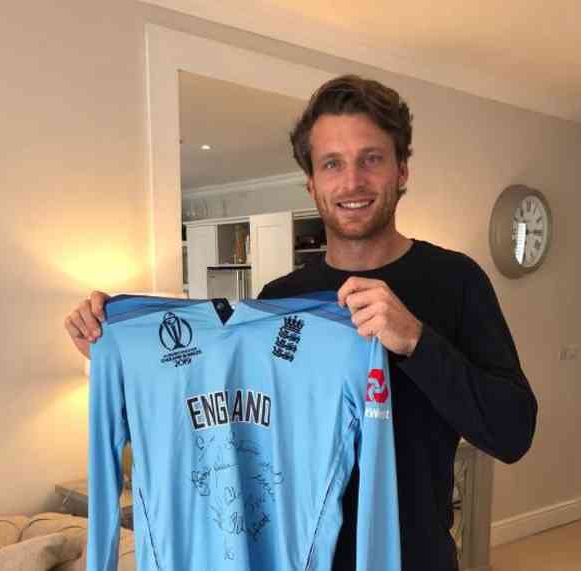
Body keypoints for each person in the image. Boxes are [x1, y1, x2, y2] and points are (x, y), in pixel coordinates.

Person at [64, 75, 537, 571]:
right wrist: (121, 354)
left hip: (415, 557)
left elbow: (513, 433)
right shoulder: (281, 300)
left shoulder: (456, 282)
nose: (352, 181)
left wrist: (416, 341)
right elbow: (222, 424)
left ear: (402, 171)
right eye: (332, 163)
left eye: (371, 159)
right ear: (312, 182)